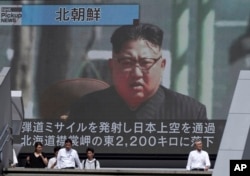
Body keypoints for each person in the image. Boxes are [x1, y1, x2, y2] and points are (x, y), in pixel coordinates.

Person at [69, 23, 207, 120]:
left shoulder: (190, 113)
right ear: (112, 66)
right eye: (127, 63)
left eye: (145, 63)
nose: (136, 73)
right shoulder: (85, 109)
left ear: (162, 65)